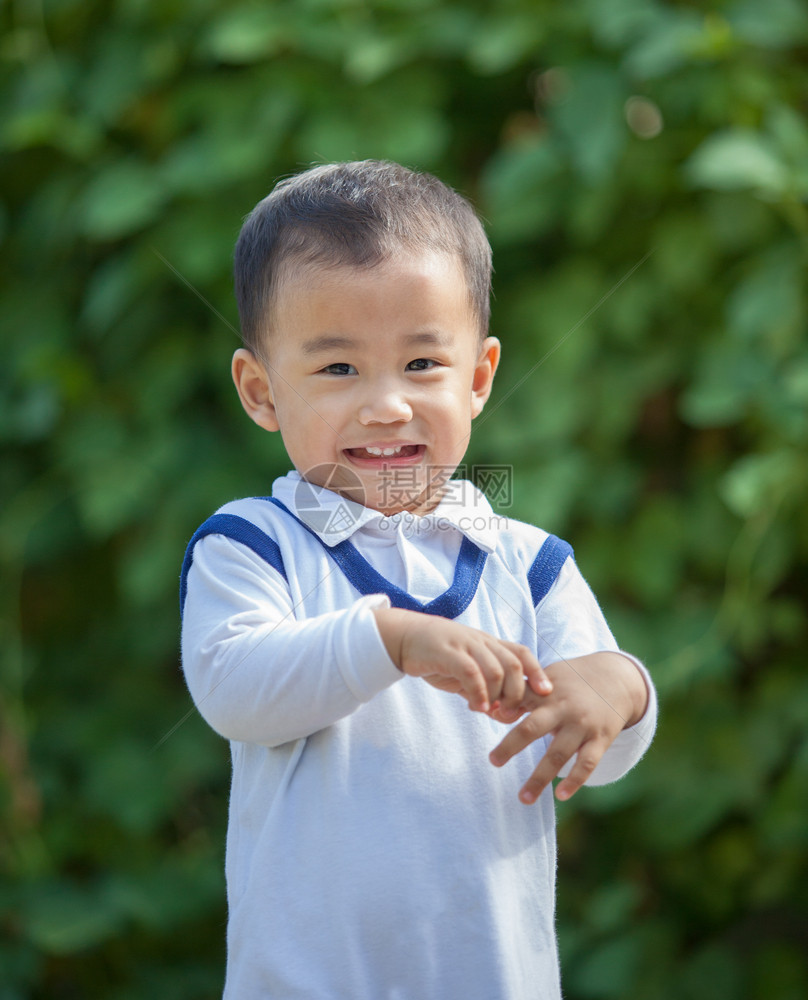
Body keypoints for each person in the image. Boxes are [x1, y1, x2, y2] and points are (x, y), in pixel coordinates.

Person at [180, 160, 657, 1000]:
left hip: (492, 977)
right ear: (261, 391)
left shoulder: (528, 563)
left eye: (423, 365)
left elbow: (600, 751)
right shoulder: (256, 545)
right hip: (308, 981)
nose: (388, 405)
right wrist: (390, 639)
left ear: (477, 378)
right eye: (338, 371)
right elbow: (236, 687)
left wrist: (618, 690)